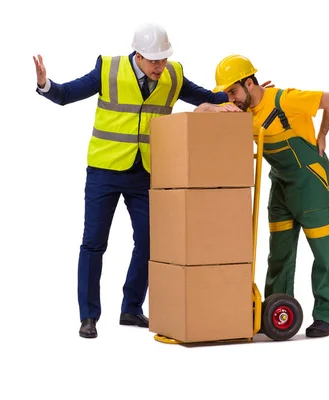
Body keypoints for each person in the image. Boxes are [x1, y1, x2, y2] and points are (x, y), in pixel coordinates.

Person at [32, 23, 246, 339]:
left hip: (146, 170)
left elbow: (205, 96)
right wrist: (45, 84)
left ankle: (131, 308)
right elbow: (65, 95)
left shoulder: (172, 75)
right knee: (94, 242)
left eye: (163, 58)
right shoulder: (108, 68)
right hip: (104, 170)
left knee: (149, 243)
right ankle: (88, 316)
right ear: (138, 54)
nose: (160, 66)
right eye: (154, 60)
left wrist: (241, 96)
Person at [195, 54, 329, 338]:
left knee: (324, 252)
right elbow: (200, 109)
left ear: (249, 83)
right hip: (281, 185)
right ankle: (277, 313)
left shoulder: (284, 99)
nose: (230, 98)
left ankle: (325, 315)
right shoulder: (240, 109)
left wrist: (323, 134)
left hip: (310, 181)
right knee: (279, 253)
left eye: (233, 91)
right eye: (227, 92)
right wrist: (216, 109)